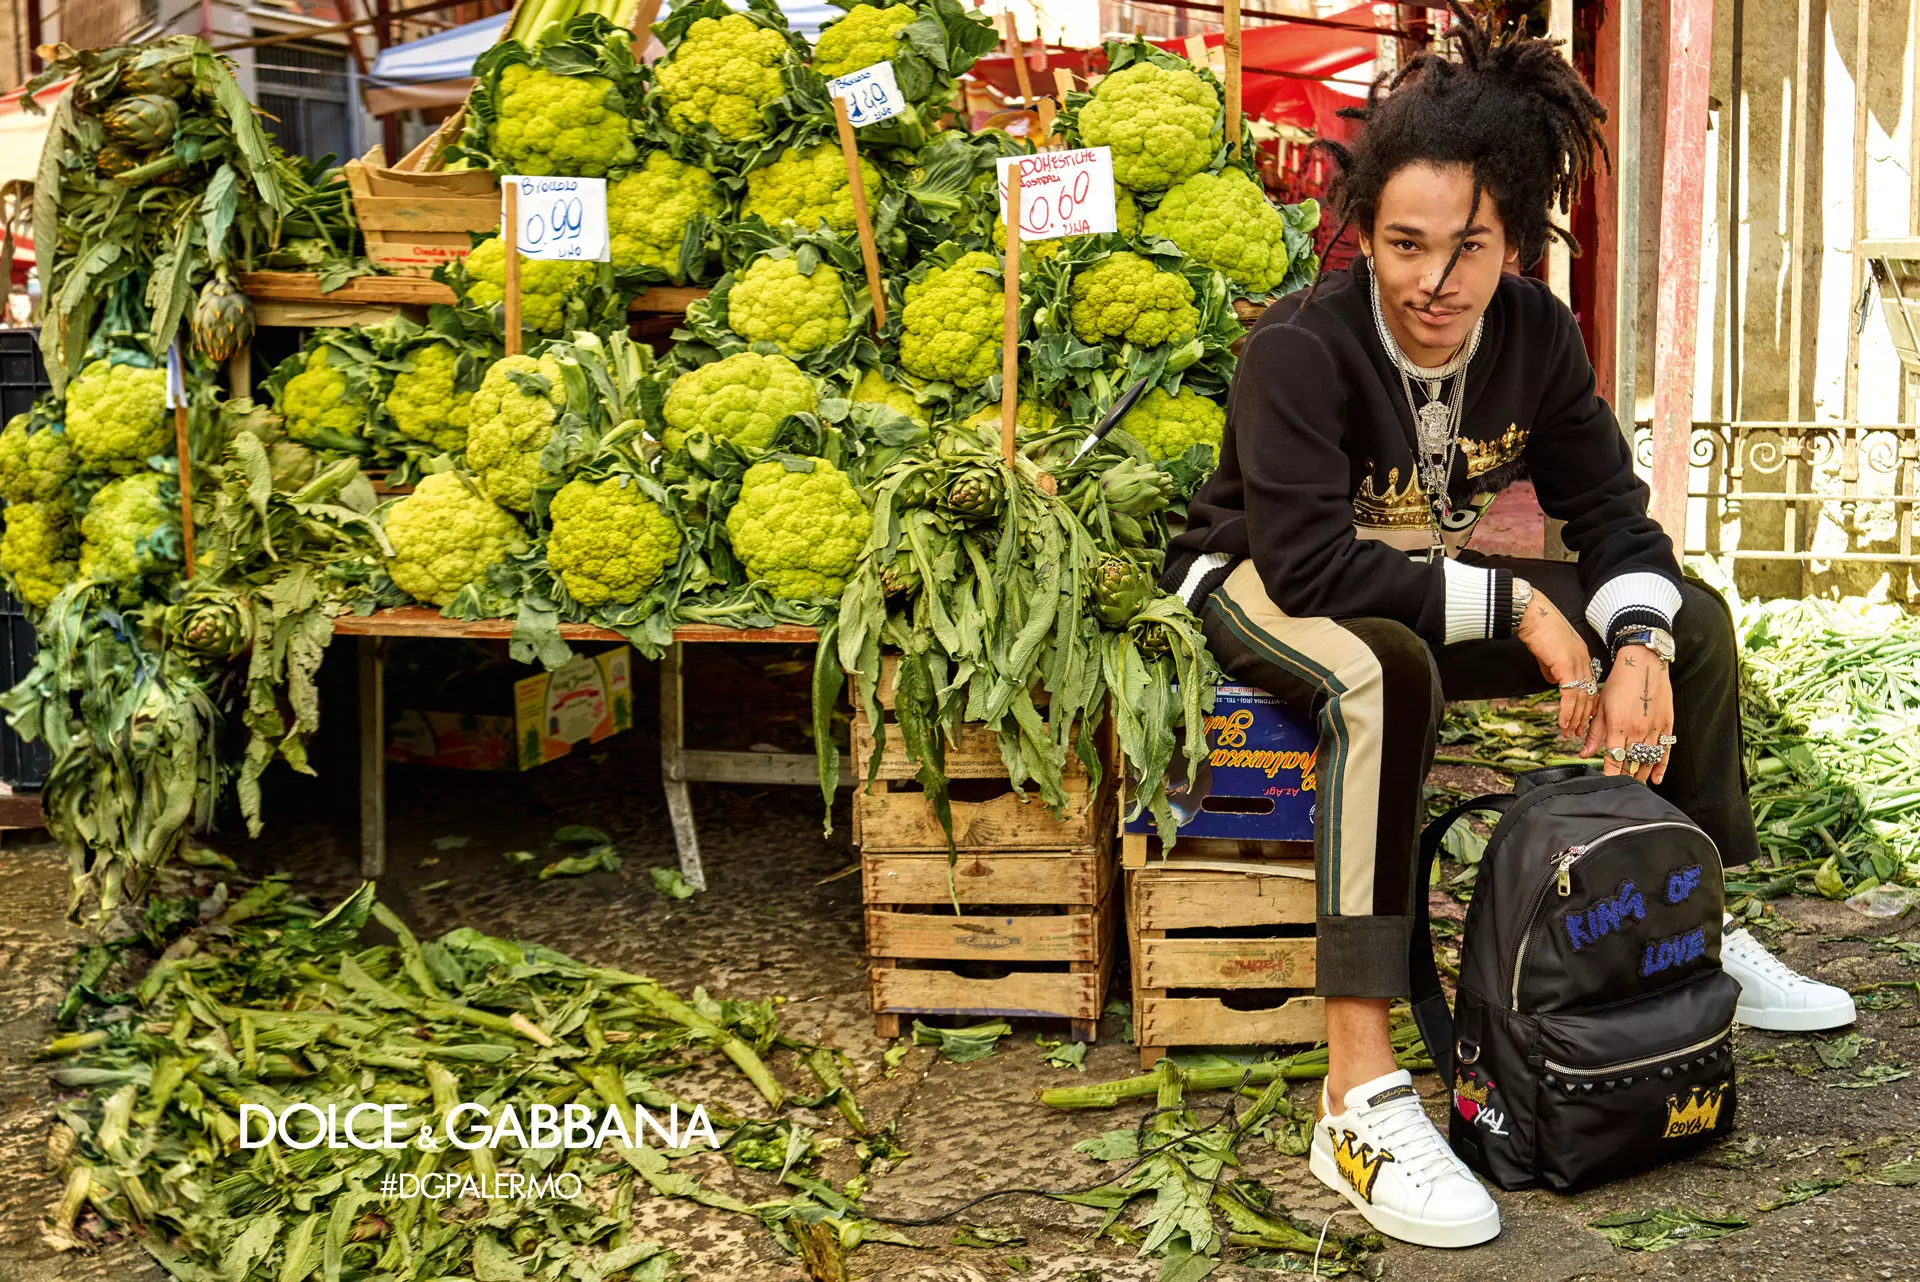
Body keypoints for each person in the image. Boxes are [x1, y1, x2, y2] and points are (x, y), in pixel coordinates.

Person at [1158, 6, 1855, 1249]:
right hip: (1259, 578)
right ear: (1362, 234)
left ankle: (1692, 927)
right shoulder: (1301, 348)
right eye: (1405, 244)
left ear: (1513, 241)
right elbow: (1313, 563)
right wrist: (1526, 603)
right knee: (1387, 675)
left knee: (1686, 615)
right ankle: (1359, 1096)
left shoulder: (1535, 334)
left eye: (1468, 247)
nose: (1436, 281)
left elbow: (1616, 516)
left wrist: (1631, 642)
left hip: (1417, 576)